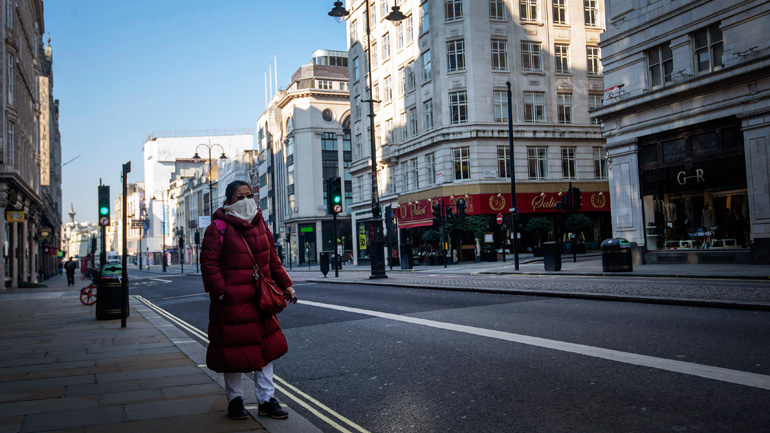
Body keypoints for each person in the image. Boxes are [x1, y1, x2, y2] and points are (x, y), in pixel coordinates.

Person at [200, 180, 297, 421]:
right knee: (233, 353)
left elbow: (272, 258)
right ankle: (235, 401)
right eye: (239, 197)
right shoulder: (218, 227)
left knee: (265, 351)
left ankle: (266, 400)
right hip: (232, 303)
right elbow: (209, 264)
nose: (246, 200)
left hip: (260, 301)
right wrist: (222, 291)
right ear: (228, 201)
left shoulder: (260, 224)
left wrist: (286, 284)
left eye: (249, 195)